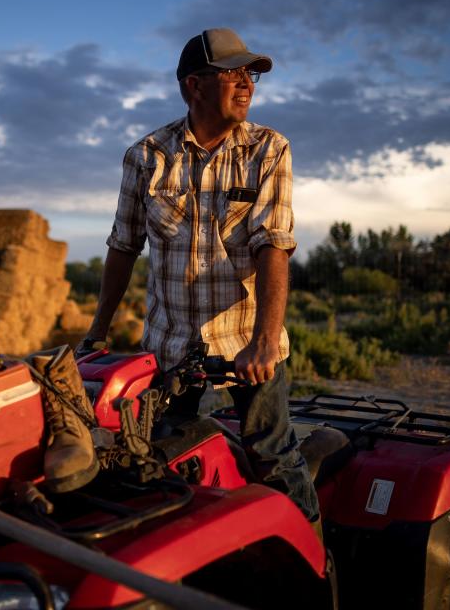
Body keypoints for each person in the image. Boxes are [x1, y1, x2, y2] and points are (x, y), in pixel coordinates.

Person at [81, 28, 320, 525]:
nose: (246, 83)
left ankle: (317, 569)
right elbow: (123, 246)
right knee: (164, 467)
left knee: (274, 459)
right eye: (231, 72)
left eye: (249, 73)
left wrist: (265, 340)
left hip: (247, 343)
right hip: (171, 346)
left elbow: (274, 244)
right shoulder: (146, 157)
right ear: (194, 85)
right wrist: (97, 333)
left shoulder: (267, 150)